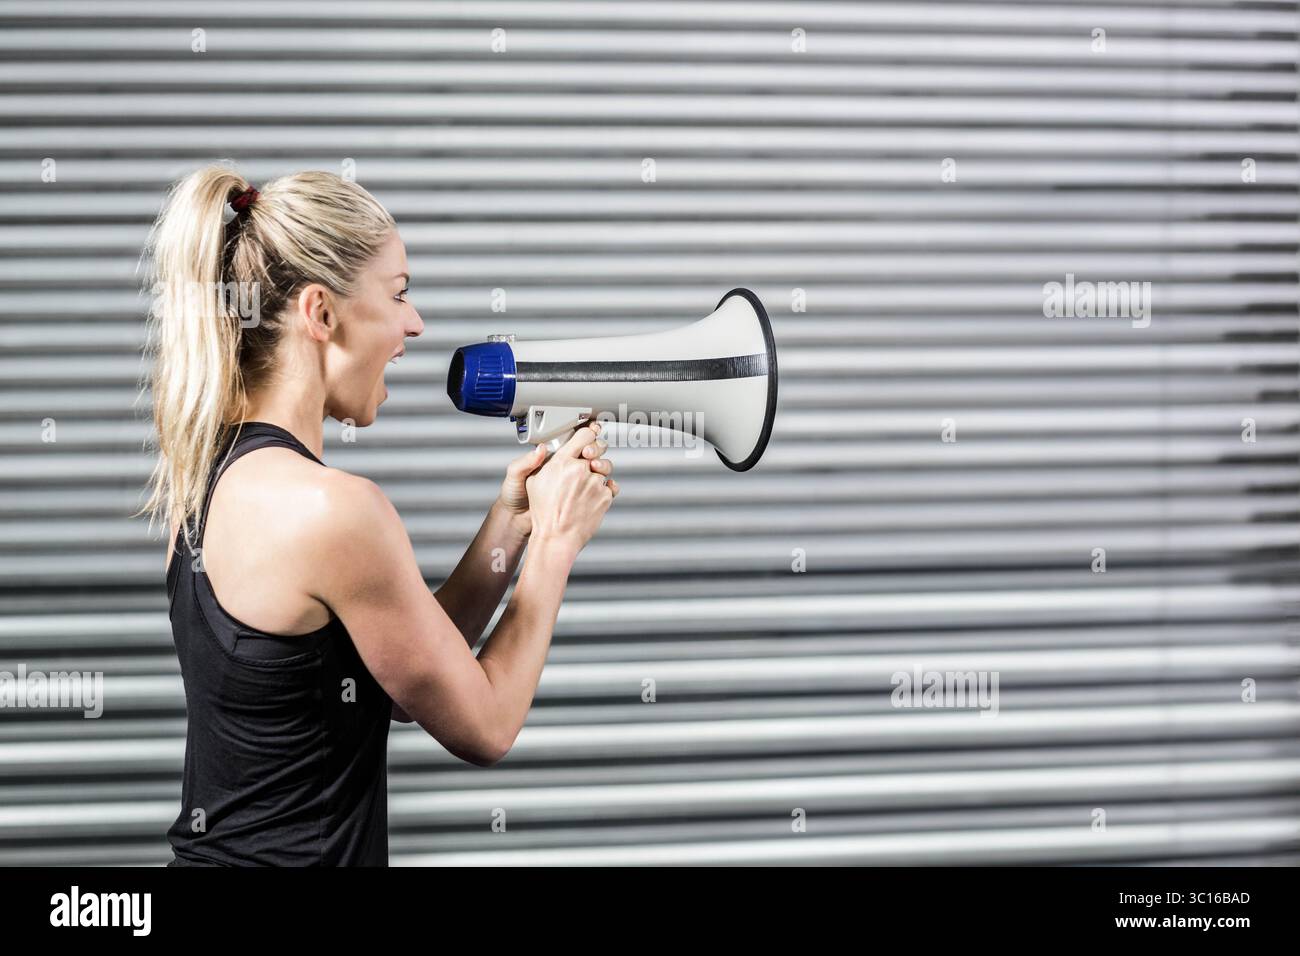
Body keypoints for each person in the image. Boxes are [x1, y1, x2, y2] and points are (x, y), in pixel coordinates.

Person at [138, 165, 617, 865]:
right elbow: (485, 725)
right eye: (397, 295)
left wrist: (511, 525)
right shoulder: (334, 511)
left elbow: (396, 680)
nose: (414, 324)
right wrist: (557, 543)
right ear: (321, 314)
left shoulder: (202, 485)